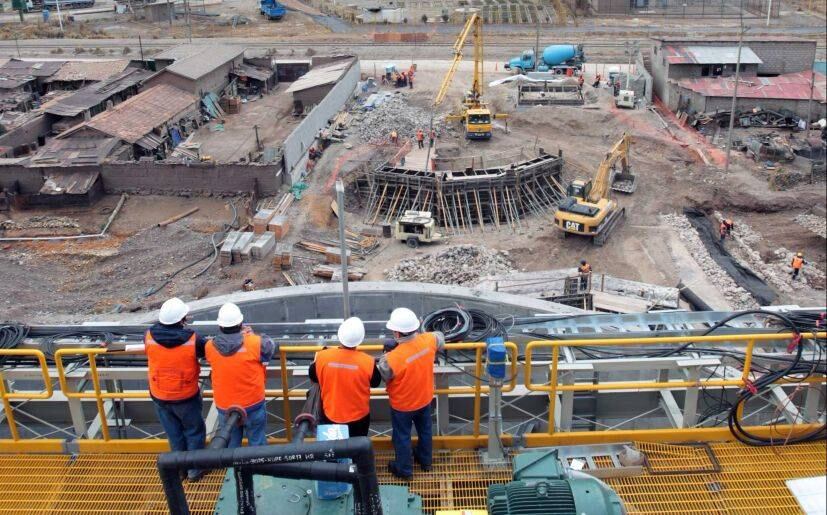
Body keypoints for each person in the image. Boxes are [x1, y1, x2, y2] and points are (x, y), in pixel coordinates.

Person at [378, 308, 445, 480]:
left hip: (403, 405)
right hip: (424, 399)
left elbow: (384, 374)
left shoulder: (392, 358)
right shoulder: (429, 340)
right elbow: (440, 337)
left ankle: (404, 470)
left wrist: (386, 354)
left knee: (402, 436)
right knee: (425, 431)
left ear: (397, 333)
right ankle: (425, 461)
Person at [145, 298, 207, 482]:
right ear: (182, 319)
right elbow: (205, 352)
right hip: (185, 395)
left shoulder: (148, 335)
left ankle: (180, 470)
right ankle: (195, 471)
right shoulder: (193, 339)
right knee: (194, 431)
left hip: (160, 395)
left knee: (174, 433)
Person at [205, 303, 277, 449]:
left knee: (231, 445)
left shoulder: (209, 346)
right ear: (241, 323)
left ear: (220, 326)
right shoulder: (254, 342)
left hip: (225, 406)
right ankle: (257, 469)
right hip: (253, 404)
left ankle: (235, 470)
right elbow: (270, 347)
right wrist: (250, 334)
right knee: (257, 443)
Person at [309, 317, 382, 437]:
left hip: (331, 415)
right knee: (357, 451)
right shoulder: (367, 361)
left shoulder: (323, 357)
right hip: (359, 418)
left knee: (335, 451)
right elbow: (376, 382)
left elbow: (313, 375)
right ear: (360, 340)